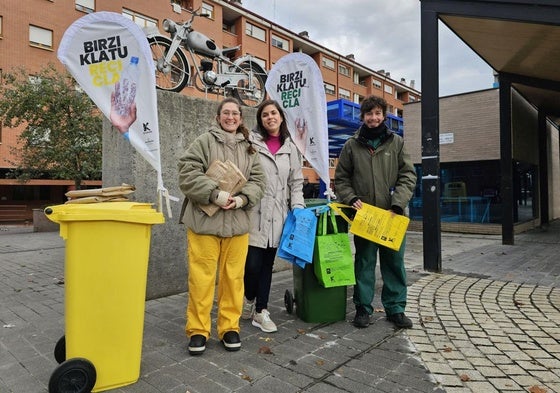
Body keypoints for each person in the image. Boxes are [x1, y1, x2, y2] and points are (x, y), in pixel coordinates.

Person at [178, 97, 266, 355]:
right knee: (201, 279)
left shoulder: (250, 148)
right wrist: (214, 194)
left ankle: (229, 327)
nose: (230, 117)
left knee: (233, 279)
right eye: (225, 113)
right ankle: (197, 330)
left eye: (235, 114)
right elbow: (186, 172)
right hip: (205, 223)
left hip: (237, 225)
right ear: (218, 117)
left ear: (241, 118)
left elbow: (259, 180)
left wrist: (242, 198)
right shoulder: (204, 141)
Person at [334, 96, 417, 329]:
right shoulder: (351, 145)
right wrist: (351, 199)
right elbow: (341, 179)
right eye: (369, 114)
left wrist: (398, 203)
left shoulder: (396, 143)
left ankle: (396, 308)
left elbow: (408, 176)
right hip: (366, 216)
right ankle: (363, 308)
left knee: (394, 263)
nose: (373, 118)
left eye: (378, 113)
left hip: (392, 215)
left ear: (384, 115)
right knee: (364, 262)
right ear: (363, 117)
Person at [242, 99, 305, 333]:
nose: (270, 117)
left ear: (281, 117)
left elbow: (296, 183)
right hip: (254, 213)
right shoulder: (252, 143)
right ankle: (248, 297)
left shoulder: (291, 147)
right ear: (261, 120)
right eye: (265, 114)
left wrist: (297, 207)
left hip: (279, 216)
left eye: (274, 113)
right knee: (251, 265)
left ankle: (261, 310)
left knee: (266, 265)